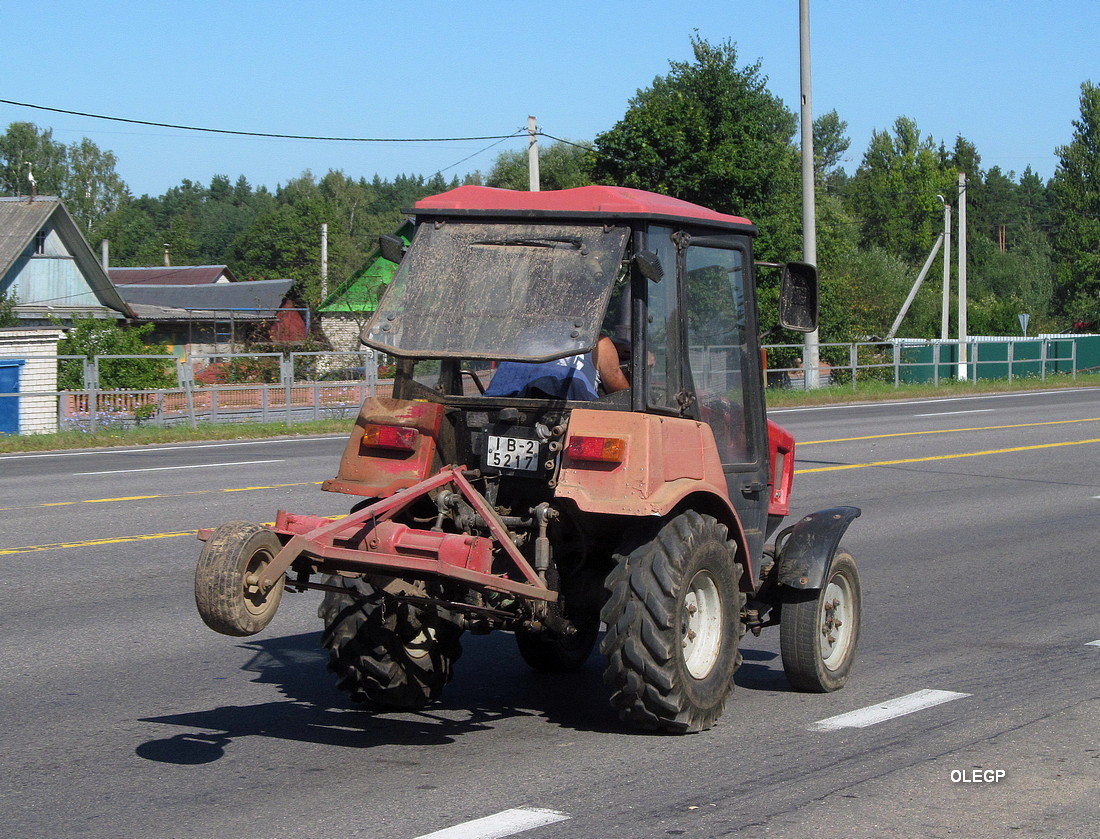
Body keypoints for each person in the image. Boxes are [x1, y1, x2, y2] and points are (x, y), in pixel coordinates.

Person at [484, 336, 629, 400]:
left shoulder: (526, 337)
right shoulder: (599, 343)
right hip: (574, 417)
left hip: (521, 409)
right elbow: (620, 394)